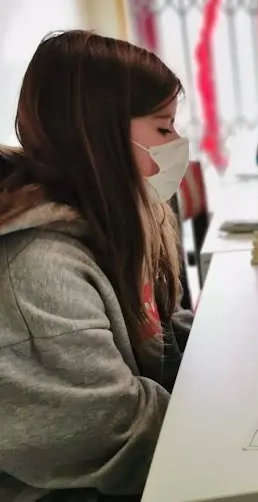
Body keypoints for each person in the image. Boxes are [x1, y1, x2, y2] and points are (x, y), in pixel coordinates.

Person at [0, 31, 194, 501]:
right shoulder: (38, 270)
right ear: (100, 133)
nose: (178, 143)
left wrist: (217, 344)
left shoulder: (115, 222)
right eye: (164, 128)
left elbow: (155, 330)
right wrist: (229, 428)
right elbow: (110, 434)